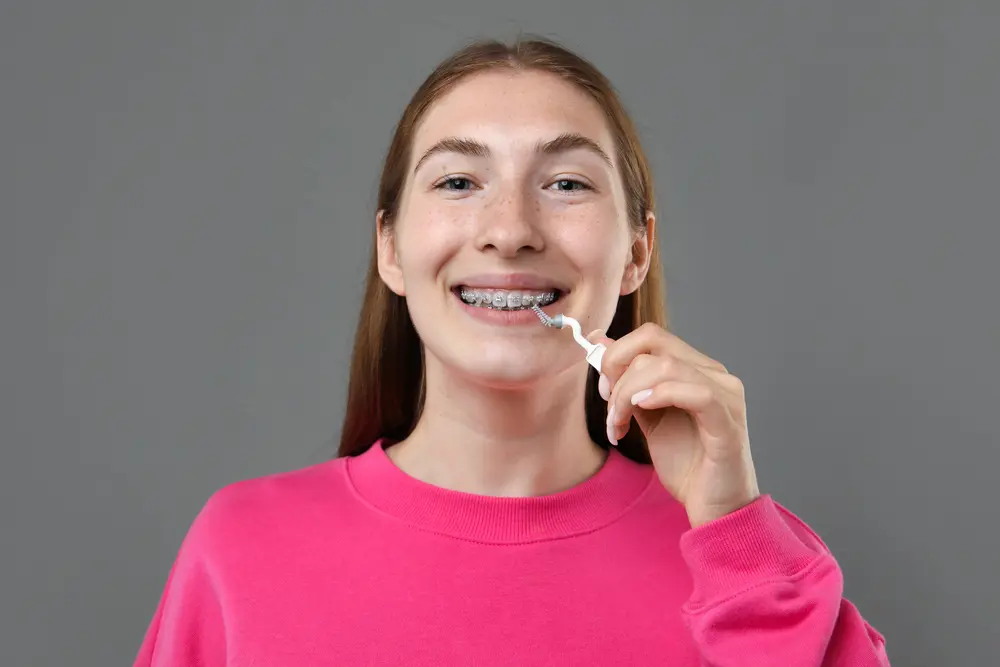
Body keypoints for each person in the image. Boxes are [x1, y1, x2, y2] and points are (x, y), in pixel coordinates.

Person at [133, 36, 891, 666]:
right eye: (460, 180)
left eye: (565, 183)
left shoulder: (755, 562)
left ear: (635, 254)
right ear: (390, 249)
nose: (510, 228)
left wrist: (735, 533)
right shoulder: (240, 551)